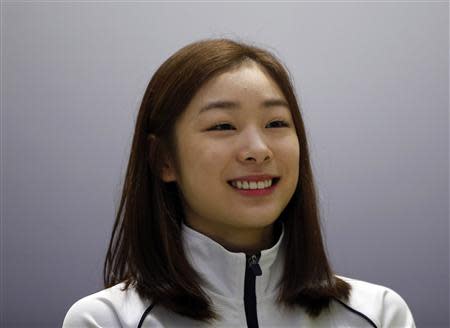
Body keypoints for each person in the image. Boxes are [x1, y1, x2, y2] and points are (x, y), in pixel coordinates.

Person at [62, 38, 416, 328]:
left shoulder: (379, 315)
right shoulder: (105, 320)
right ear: (163, 159)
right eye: (222, 126)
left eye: (276, 123)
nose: (258, 151)